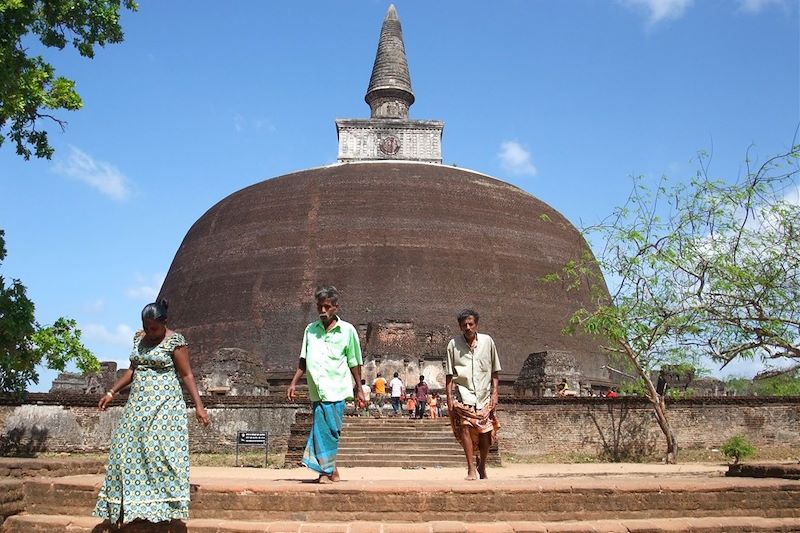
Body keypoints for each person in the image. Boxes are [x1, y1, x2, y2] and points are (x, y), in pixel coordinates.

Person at [94, 299, 210, 528]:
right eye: (147, 328)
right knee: (125, 448)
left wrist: (198, 405)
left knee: (158, 452)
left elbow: (186, 375)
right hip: (138, 403)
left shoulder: (175, 342)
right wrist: (111, 392)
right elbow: (132, 371)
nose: (150, 332)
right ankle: (127, 504)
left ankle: (163, 506)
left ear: (164, 323)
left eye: (154, 328)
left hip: (165, 404)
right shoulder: (139, 339)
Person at [287, 286, 364, 483]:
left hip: (337, 388)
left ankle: (326, 471)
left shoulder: (347, 331)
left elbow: (354, 362)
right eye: (320, 307)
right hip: (317, 390)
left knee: (330, 430)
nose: (323, 311)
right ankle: (331, 471)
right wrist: (293, 383)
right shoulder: (310, 330)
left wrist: (360, 389)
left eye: (327, 307)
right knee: (322, 430)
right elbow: (303, 360)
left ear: (336, 307)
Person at [446, 308, 501, 481]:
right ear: (460, 327)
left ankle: (482, 466)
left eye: (471, 324)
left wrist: (495, 393)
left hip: (484, 396)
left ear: (476, 324)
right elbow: (449, 374)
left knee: (485, 434)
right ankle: (470, 468)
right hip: (464, 396)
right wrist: (448, 398)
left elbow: (494, 370)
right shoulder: (453, 345)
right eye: (464, 325)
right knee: (466, 430)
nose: (468, 327)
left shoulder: (488, 342)